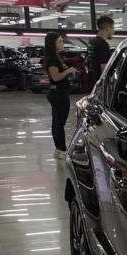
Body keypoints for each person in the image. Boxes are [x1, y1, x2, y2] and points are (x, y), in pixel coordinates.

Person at [45, 31, 77, 160]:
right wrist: (69, 70)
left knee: (57, 122)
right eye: (59, 41)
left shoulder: (57, 56)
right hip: (59, 94)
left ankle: (59, 149)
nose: (62, 43)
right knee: (59, 123)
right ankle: (62, 149)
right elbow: (56, 77)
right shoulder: (52, 59)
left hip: (58, 92)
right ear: (52, 44)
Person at [87, 15, 114, 90]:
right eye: (112, 28)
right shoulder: (102, 44)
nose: (113, 31)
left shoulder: (92, 42)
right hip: (100, 85)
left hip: (92, 82)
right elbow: (103, 68)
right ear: (107, 28)